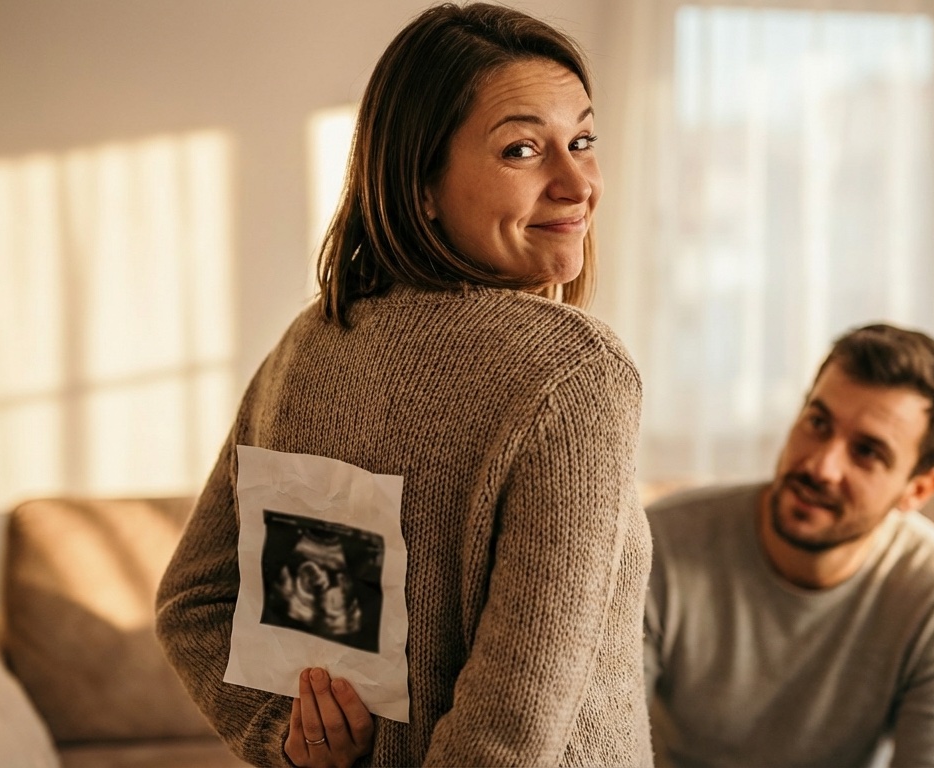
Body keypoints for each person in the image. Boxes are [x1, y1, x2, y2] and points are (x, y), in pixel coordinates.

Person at [154, 3, 654, 767]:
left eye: (582, 140)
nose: (577, 183)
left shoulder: (313, 342)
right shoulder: (573, 372)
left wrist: (286, 739)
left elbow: (192, 605)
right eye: (523, 149)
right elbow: (507, 741)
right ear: (420, 183)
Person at [645, 323, 934, 768]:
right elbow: (599, 741)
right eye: (817, 423)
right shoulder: (662, 542)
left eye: (867, 452)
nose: (821, 466)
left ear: (919, 490)